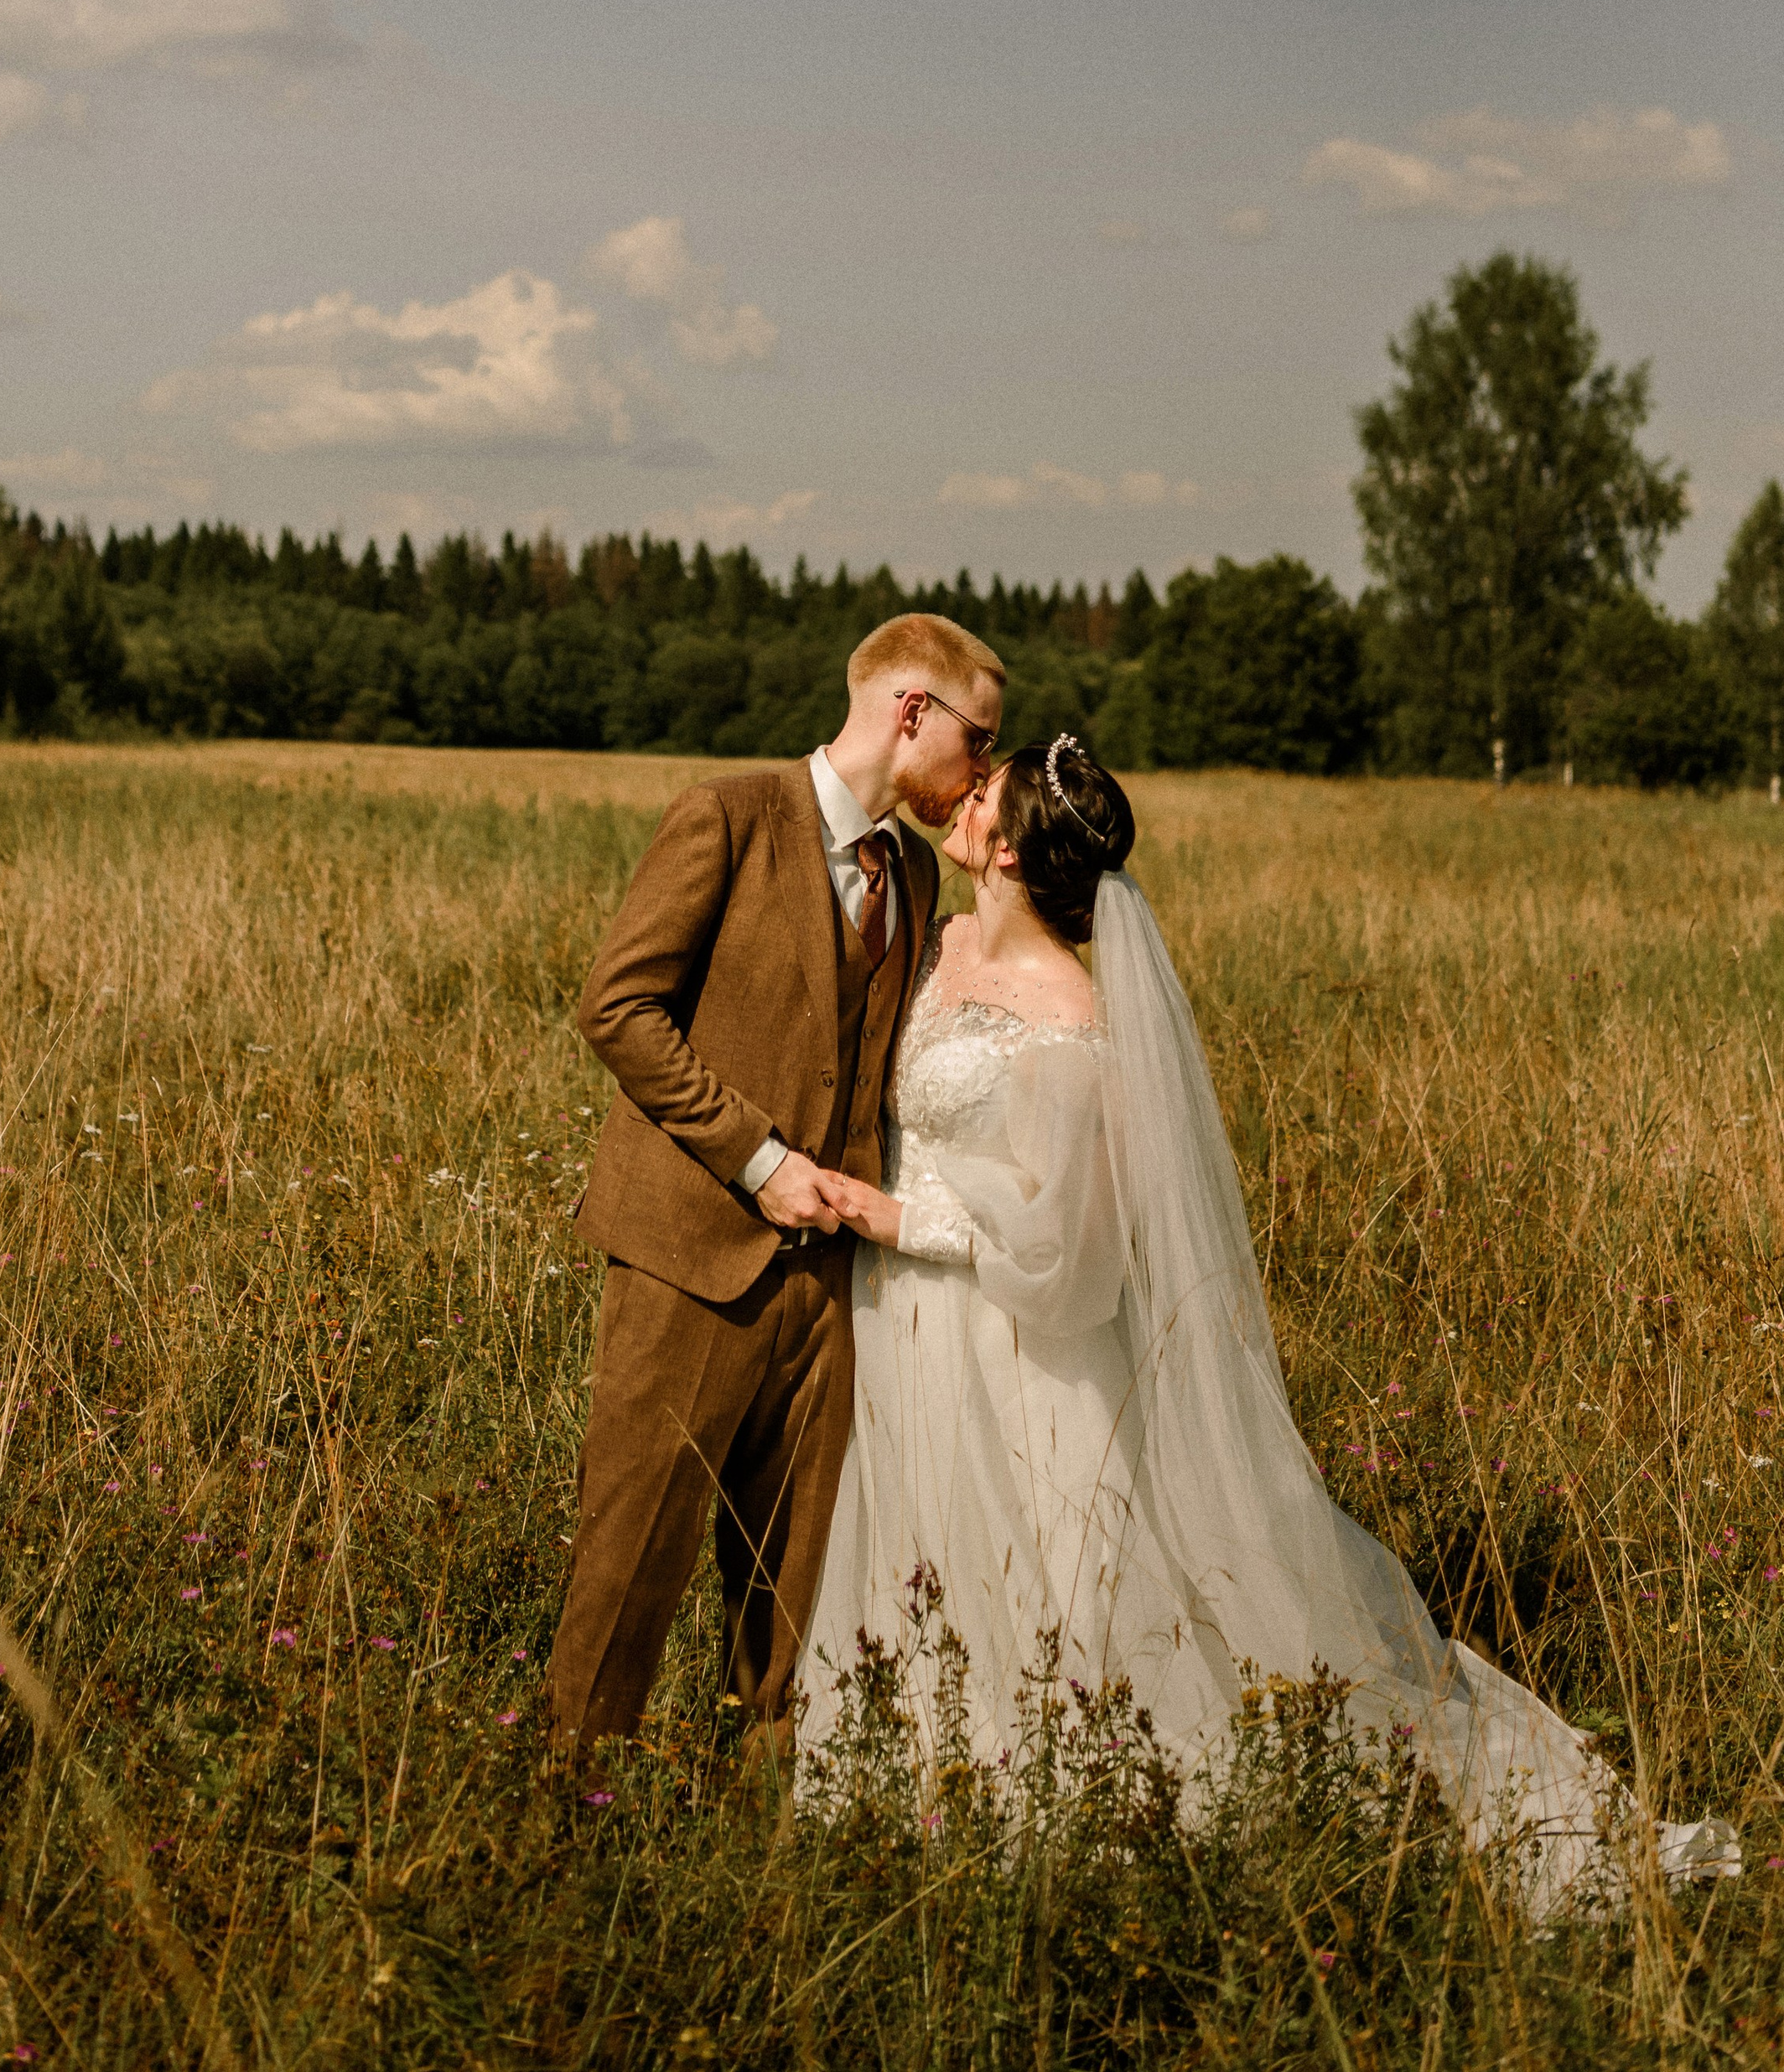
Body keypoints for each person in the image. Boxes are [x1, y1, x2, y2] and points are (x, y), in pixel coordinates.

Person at [803, 733, 1740, 1908]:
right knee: (923, 1561)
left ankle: (1080, 1797)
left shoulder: (1069, 1017)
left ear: (1002, 845)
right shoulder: (934, 943)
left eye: (983, 788)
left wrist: (894, 1222)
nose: (962, 788)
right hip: (900, 1332)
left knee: (1053, 1584)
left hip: (1009, 1340)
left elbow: (1070, 1251)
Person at [545, 613, 1005, 1753]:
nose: (984, 770)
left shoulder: (905, 869)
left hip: (834, 1285)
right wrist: (760, 1164)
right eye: (978, 739)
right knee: (631, 1558)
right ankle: (558, 1814)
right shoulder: (728, 819)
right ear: (912, 713)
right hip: (693, 1262)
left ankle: (762, 1838)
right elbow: (617, 1008)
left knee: (800, 1578)